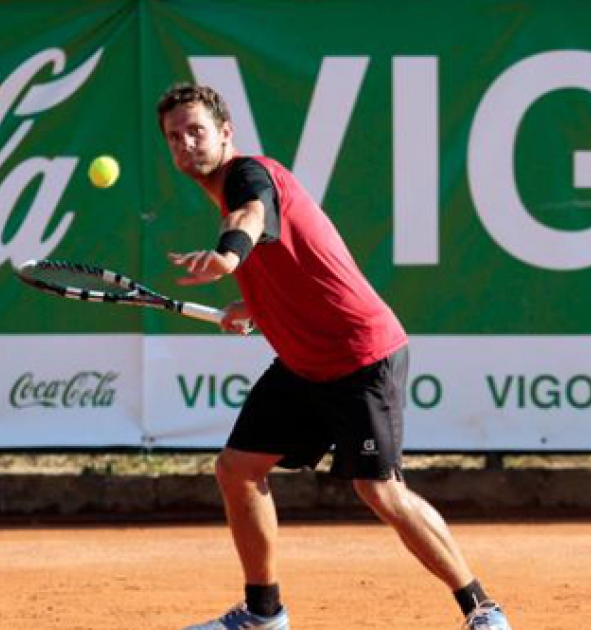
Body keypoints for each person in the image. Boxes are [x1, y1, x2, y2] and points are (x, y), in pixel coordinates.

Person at [157, 82, 513, 630]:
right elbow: (288, 260)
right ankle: (262, 613)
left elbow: (250, 218)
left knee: (381, 490)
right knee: (237, 470)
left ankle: (482, 608)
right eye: (175, 137)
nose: (186, 144)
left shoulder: (249, 176)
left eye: (196, 131)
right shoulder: (225, 192)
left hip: (359, 357)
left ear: (226, 132)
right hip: (304, 364)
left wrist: (228, 258)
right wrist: (251, 304)